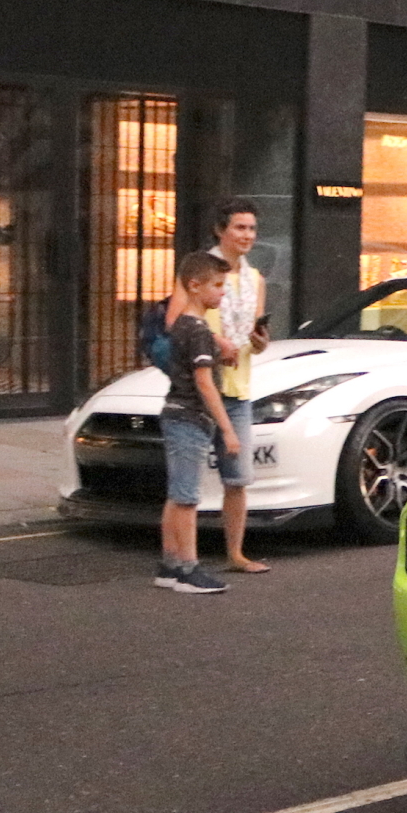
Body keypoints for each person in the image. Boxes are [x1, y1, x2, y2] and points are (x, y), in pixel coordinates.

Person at [165, 200, 271, 573]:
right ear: (220, 230)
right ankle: (174, 560)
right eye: (240, 228)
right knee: (184, 487)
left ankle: (235, 554)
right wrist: (216, 342)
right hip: (200, 387)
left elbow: (255, 329)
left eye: (252, 229)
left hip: (238, 386)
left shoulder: (255, 279)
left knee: (237, 478)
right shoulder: (201, 269)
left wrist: (260, 341)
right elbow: (176, 320)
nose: (247, 236)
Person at [157, 253, 239, 595]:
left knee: (178, 495)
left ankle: (170, 564)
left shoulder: (183, 327)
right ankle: (189, 569)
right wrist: (228, 429)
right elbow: (204, 383)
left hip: (177, 414)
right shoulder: (199, 330)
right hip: (190, 417)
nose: (222, 293)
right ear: (194, 285)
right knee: (188, 497)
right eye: (217, 286)